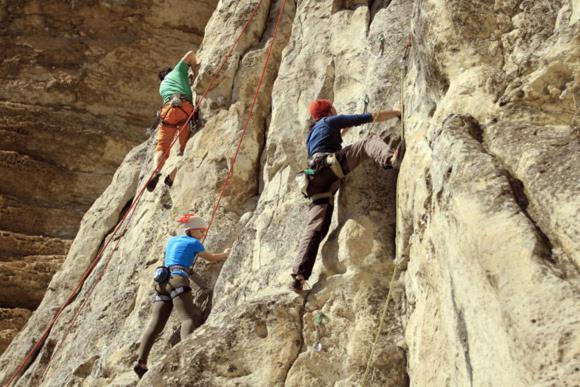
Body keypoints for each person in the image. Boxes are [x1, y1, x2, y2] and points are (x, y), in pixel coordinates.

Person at [290, 99, 404, 292]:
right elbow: (368, 117)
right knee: (368, 143)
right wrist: (395, 112)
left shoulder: (313, 133)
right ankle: (390, 158)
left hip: (314, 181)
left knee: (315, 228)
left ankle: (299, 274)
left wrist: (343, 132)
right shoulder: (331, 121)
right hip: (329, 167)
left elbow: (328, 139)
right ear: (330, 110)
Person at [134, 214, 229, 378]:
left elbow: (178, 263)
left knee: (155, 325)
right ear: (191, 230)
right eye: (201, 231)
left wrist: (201, 285)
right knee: (187, 319)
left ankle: (140, 362)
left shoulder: (172, 241)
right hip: (178, 281)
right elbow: (211, 258)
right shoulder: (194, 243)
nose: (203, 234)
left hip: (162, 282)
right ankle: (188, 355)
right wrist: (226, 253)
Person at [147, 51, 199, 192]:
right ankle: (172, 176)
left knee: (162, 148)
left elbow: (179, 85)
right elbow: (190, 54)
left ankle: (155, 171)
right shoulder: (176, 71)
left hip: (167, 112)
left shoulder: (162, 86)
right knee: (185, 150)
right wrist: (196, 73)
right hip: (184, 108)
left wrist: (187, 80)